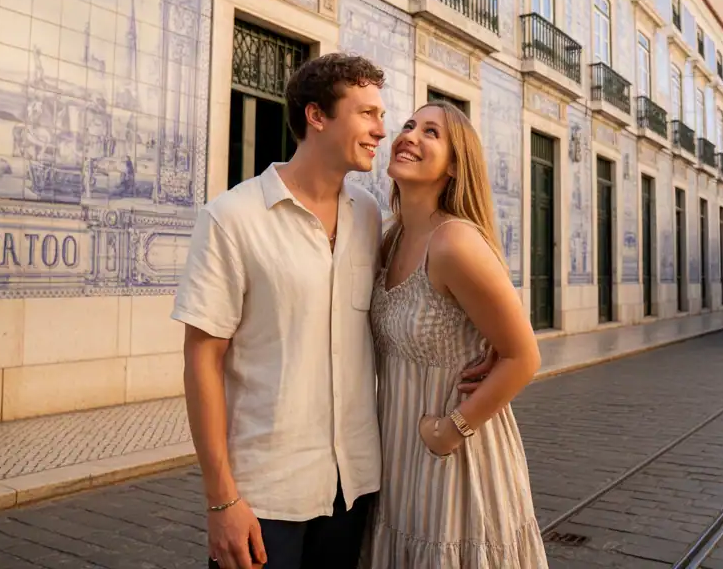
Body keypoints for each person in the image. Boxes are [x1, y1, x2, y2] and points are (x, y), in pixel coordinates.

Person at [174, 55, 495, 569]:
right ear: (317, 116)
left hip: (355, 489)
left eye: (383, 116)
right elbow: (201, 361)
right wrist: (221, 499)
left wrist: (490, 344)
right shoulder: (231, 218)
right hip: (266, 493)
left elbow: (430, 293)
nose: (382, 131)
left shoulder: (369, 216)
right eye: (367, 114)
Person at [360, 101, 548, 568]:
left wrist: (450, 430)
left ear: (454, 166)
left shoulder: (454, 242)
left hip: (457, 462)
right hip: (399, 461)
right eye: (409, 125)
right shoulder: (390, 239)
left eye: (431, 133)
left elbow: (524, 356)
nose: (410, 135)